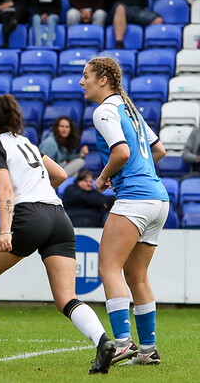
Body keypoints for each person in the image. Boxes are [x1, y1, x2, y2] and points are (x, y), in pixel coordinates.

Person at [0, 94, 116, 374]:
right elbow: (58, 174)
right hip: (59, 217)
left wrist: (5, 231)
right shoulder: (28, 143)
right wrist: (41, 192)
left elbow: (6, 191)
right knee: (66, 298)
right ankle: (103, 341)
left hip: (28, 216)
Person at [81, 56, 169, 366]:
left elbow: (121, 152)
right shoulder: (128, 108)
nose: (82, 82)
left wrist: (105, 177)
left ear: (102, 79)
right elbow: (159, 150)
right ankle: (148, 350)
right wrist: (138, 172)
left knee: (108, 266)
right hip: (159, 199)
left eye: (86, 75)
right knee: (137, 275)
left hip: (135, 198)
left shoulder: (104, 111)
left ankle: (120, 343)